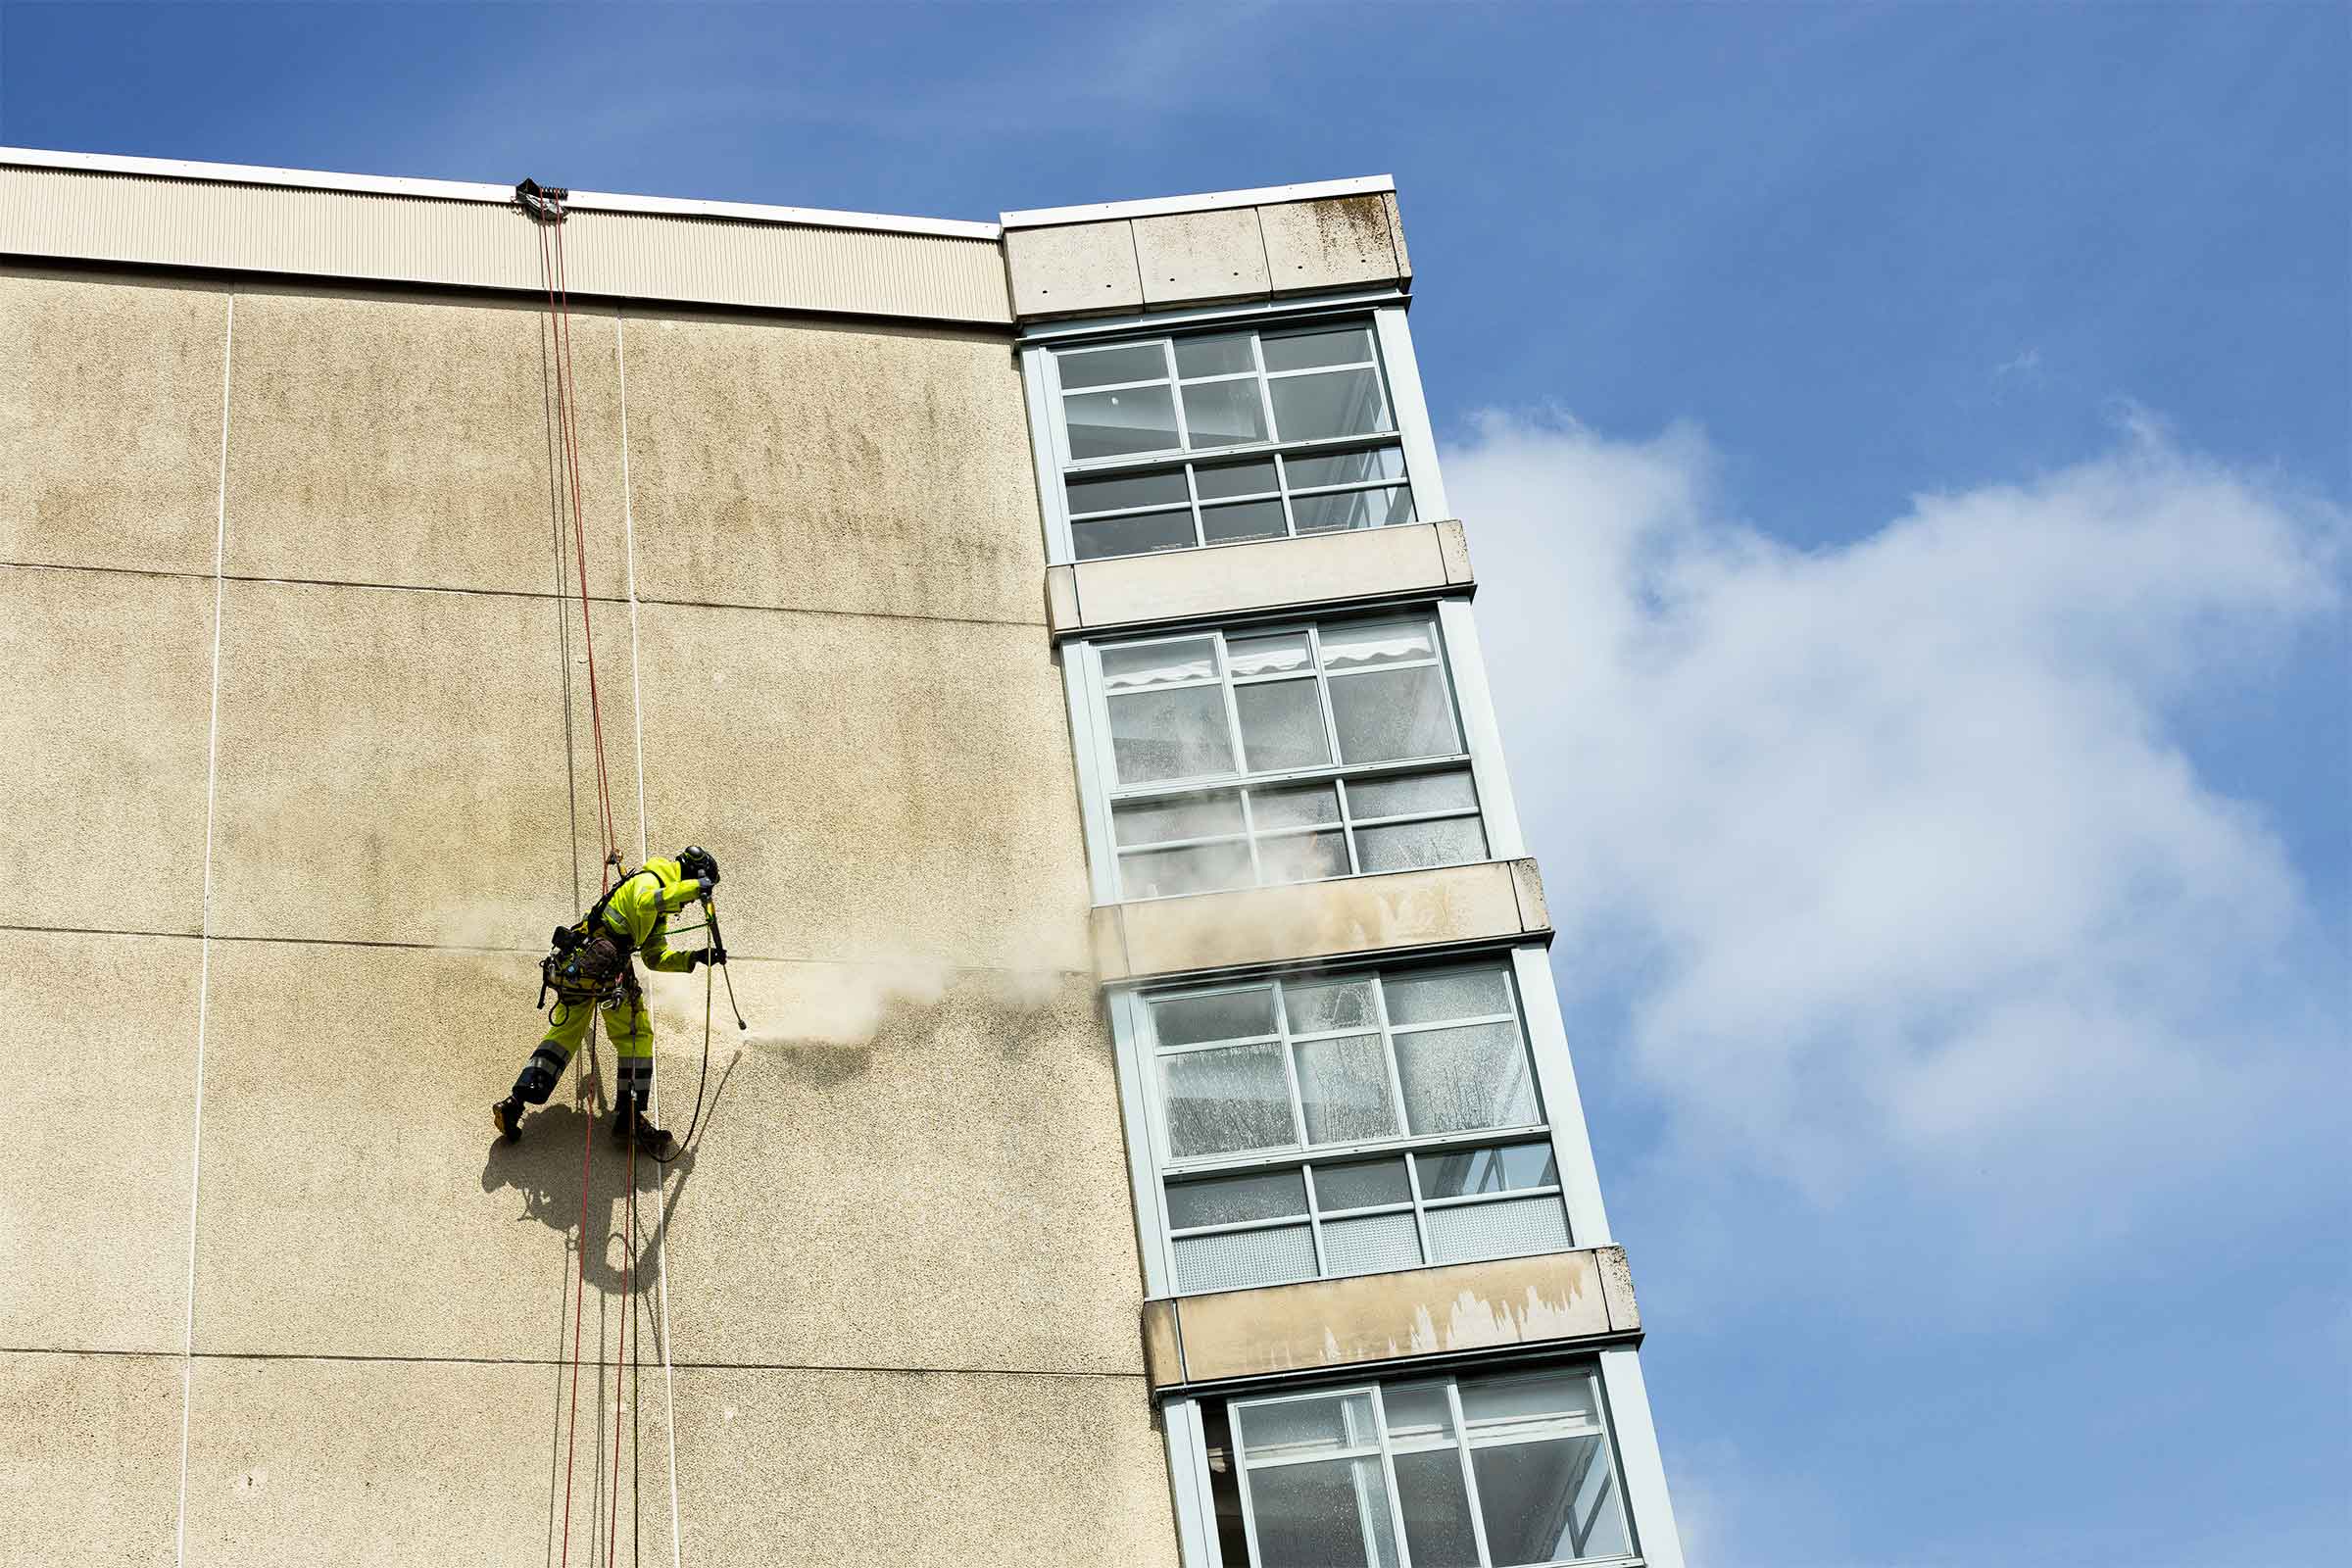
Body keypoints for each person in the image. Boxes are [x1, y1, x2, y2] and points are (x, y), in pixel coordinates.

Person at [492, 846, 726, 1157]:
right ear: (685, 877)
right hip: (608, 969)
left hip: (583, 963)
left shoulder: (657, 905)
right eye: (690, 896)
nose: (688, 903)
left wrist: (695, 957)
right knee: (636, 1036)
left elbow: (655, 957)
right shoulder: (650, 882)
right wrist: (697, 886)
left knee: (564, 1035)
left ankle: (515, 1102)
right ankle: (629, 1119)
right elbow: (648, 901)